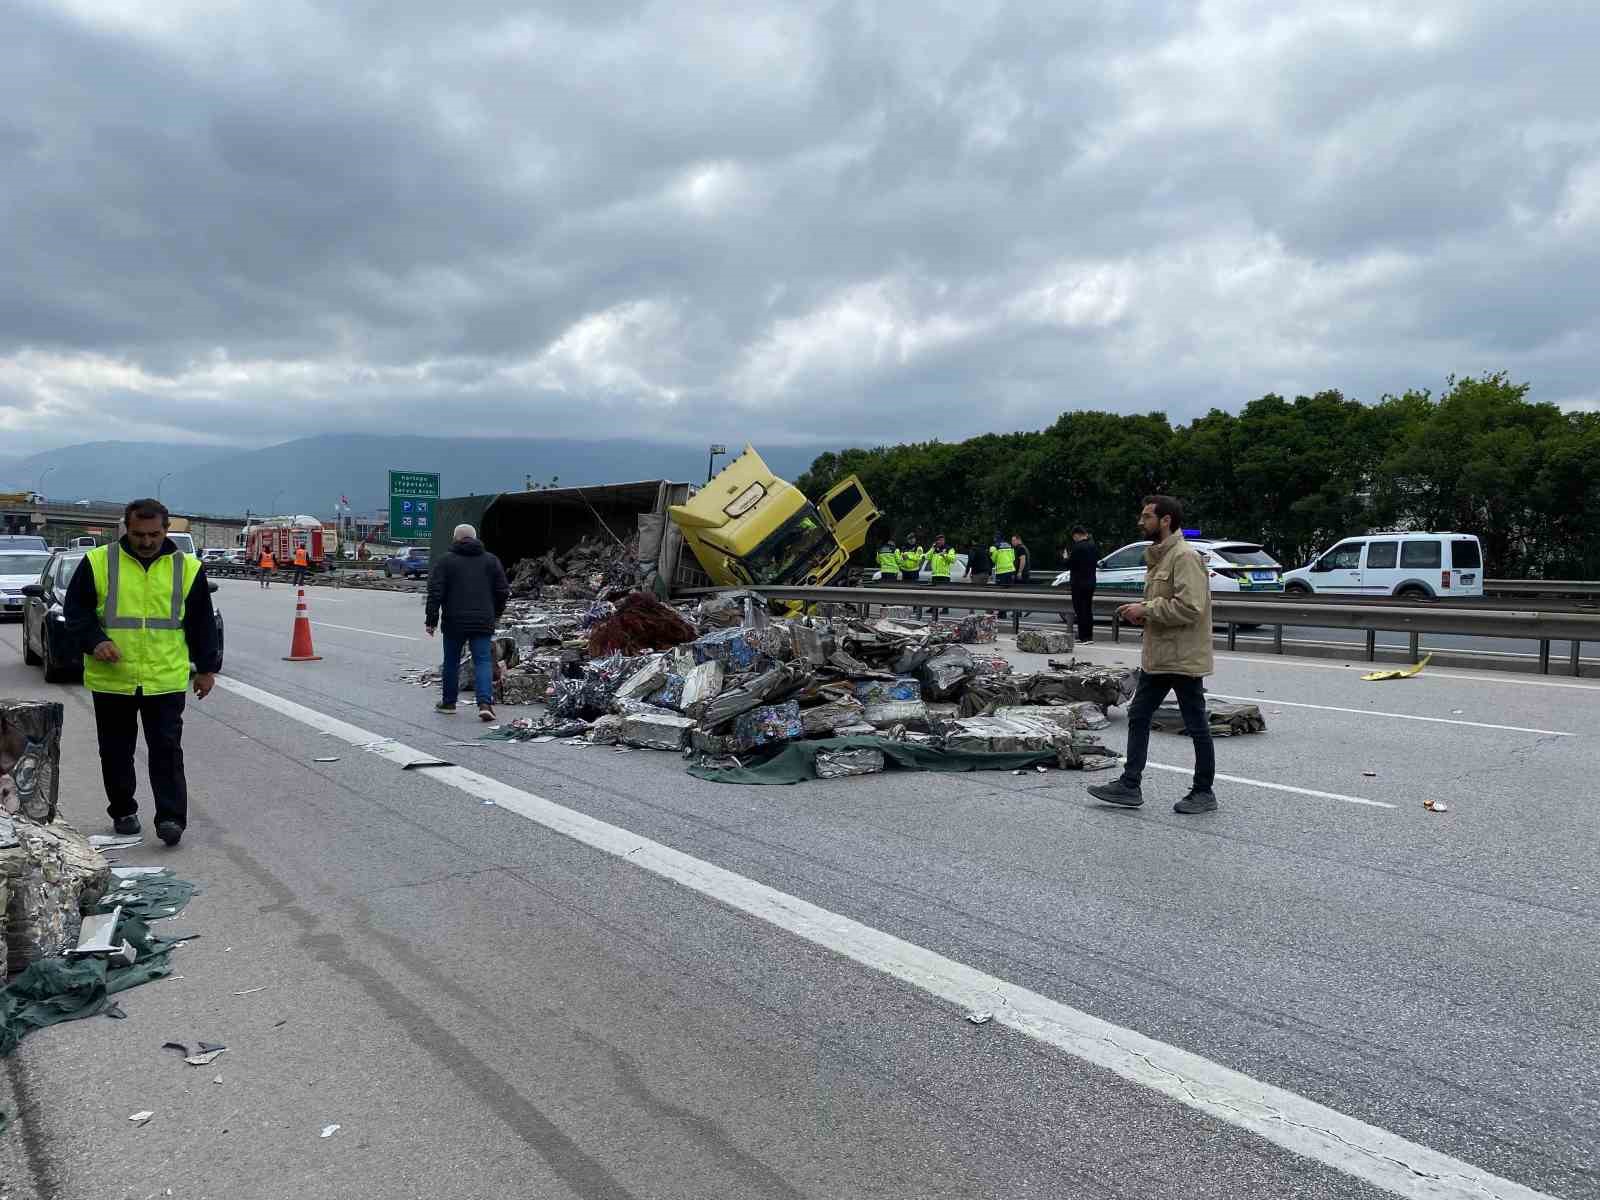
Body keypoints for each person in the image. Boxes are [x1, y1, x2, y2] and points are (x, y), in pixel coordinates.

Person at [64, 499, 220, 847]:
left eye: (153, 534)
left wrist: (207, 668)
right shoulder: (99, 562)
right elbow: (76, 612)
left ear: (166, 530)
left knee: (167, 750)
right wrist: (95, 640)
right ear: (126, 528)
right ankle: (123, 811)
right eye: (138, 534)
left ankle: (170, 819)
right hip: (113, 679)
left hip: (164, 678)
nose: (146, 541)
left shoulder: (188, 567)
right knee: (115, 752)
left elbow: (201, 623)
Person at [1088, 495, 1217, 815]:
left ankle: (1204, 791)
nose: (1140, 521)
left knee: (1195, 724)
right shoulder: (1160, 557)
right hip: (1159, 656)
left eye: (1146, 516)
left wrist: (1145, 609)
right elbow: (1167, 605)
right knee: (1139, 715)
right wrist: (1142, 614)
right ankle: (1130, 784)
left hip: (1182, 657)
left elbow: (1190, 607)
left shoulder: (1184, 557)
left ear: (1166, 520)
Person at [425, 523, 511, 721]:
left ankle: (448, 703)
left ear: (455, 538)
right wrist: (496, 614)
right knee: (483, 661)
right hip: (483, 621)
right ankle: (485, 703)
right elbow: (502, 591)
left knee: (451, 661)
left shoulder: (445, 561)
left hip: (453, 621)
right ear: (475, 538)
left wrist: (431, 620)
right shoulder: (491, 561)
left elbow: (435, 592)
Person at [1065, 525, 1099, 643]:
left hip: (1078, 582)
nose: (1074, 539)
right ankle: (1088, 636)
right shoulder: (1093, 546)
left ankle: (1083, 636)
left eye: (1074, 537)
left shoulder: (1077, 547)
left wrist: (1065, 558)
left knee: (1079, 610)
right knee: (1087, 609)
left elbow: (1070, 564)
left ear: (1077, 535)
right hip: (1090, 582)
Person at [927, 535, 958, 618]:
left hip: (944, 575)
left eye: (942, 540)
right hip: (935, 574)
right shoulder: (934, 549)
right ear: (936, 541)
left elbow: (953, 559)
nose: (941, 541)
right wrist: (932, 548)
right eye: (939, 540)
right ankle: (933, 608)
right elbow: (927, 557)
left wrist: (945, 555)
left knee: (945, 593)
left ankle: (945, 608)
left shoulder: (949, 549)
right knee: (934, 593)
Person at [898, 533, 926, 616]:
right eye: (910, 539)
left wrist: (909, 557)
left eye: (913, 538)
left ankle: (915, 607)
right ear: (908, 540)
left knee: (915, 590)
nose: (912, 540)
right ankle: (905, 608)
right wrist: (901, 563)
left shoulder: (918, 547)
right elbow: (900, 559)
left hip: (914, 571)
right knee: (905, 591)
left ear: (915, 539)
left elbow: (919, 558)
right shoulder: (904, 547)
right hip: (905, 571)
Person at [990, 535, 1016, 617]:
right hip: (1011, 570)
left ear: (995, 539)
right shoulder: (1009, 545)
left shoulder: (994, 547)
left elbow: (993, 559)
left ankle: (1002, 613)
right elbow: (1013, 558)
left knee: (1000, 593)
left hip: (1001, 572)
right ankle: (1012, 611)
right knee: (1009, 592)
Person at [1010, 533, 1032, 619]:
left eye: (1014, 540)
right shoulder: (1023, 547)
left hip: (1022, 574)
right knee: (1020, 593)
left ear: (1018, 540)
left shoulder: (1021, 548)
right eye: (1012, 540)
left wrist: (1019, 572)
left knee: (1017, 593)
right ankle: (1019, 611)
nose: (1012, 542)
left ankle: (1022, 610)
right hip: (1024, 573)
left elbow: (1023, 560)